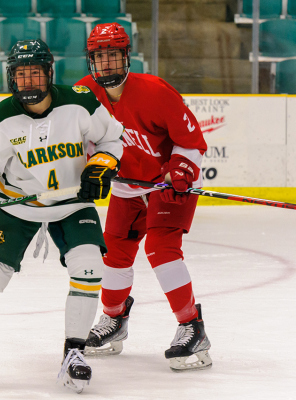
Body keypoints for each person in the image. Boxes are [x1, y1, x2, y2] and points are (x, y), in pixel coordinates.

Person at [0, 39, 124, 393]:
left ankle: (75, 352)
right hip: (15, 204)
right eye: (20, 75)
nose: (28, 82)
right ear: (11, 78)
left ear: (49, 73)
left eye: (35, 73)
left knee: (89, 266)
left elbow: (111, 141)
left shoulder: (80, 102)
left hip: (72, 202)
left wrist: (103, 165)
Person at [75, 23, 212, 371]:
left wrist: (180, 168)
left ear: (126, 57)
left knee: (161, 250)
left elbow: (192, 140)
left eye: (112, 56)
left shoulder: (155, 91)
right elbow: (81, 142)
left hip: (167, 184)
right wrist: (93, 165)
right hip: (127, 186)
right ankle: (114, 319)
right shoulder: (84, 93)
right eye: (99, 57)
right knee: (114, 251)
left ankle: (191, 326)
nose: (106, 64)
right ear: (92, 61)